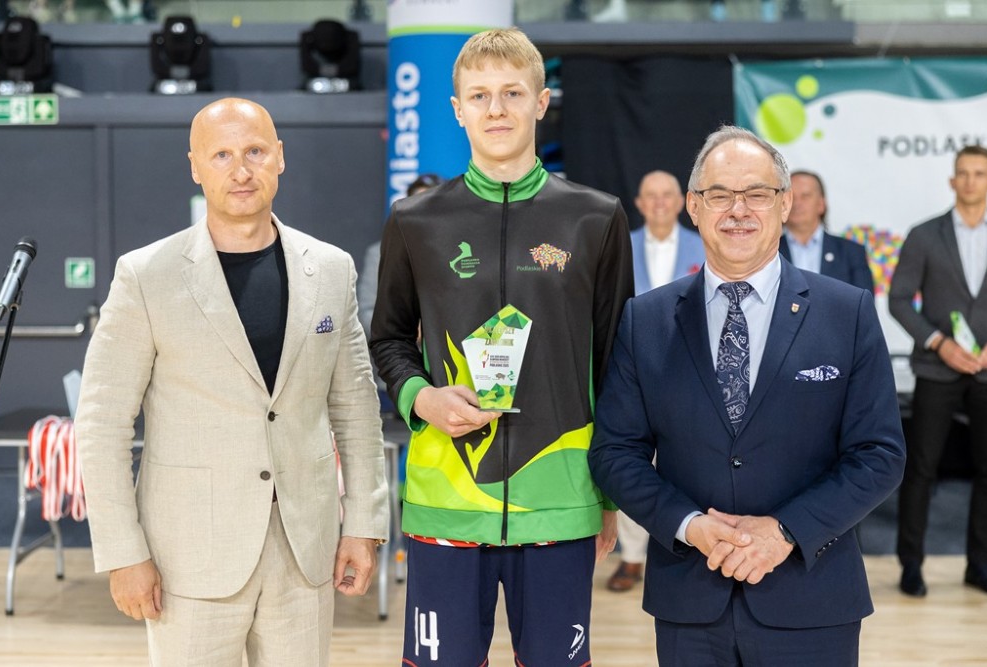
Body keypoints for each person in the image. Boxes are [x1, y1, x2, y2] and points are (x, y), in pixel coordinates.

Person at [75, 98, 389, 665]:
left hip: (304, 551)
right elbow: (102, 424)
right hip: (188, 557)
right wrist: (123, 552)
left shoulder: (331, 268)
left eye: (255, 151)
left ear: (280, 157)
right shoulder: (146, 275)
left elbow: (357, 411)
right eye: (221, 154)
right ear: (195, 166)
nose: (241, 170)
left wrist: (364, 524)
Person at [589, 125, 905, 665]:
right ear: (693, 206)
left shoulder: (846, 312)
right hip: (690, 602)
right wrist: (690, 526)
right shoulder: (646, 320)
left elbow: (880, 455)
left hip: (812, 598)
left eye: (757, 193)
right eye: (719, 195)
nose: (738, 210)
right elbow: (615, 453)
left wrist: (784, 533)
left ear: (785, 204)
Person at [370, 28, 633, 667]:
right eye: (479, 95)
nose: (496, 109)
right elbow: (387, 339)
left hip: (560, 498)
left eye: (512, 93)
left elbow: (617, 362)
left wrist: (607, 496)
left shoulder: (596, 218)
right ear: (457, 109)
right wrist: (422, 399)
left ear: (541, 102)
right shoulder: (414, 220)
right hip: (447, 500)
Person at [889, 144, 987, 598]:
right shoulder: (925, 234)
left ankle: (980, 565)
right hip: (936, 368)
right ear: (952, 180)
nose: (970, 181)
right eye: (963, 173)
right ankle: (911, 564)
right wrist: (939, 343)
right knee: (921, 469)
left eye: (979, 173)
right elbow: (898, 299)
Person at [609, 169, 705, 592]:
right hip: (635, 371)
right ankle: (632, 557)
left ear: (683, 202)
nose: (661, 202)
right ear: (639, 203)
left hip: (697, 374)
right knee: (635, 462)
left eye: (668, 194)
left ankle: (693, 547)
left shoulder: (704, 246)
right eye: (652, 195)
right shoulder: (620, 247)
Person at [357, 173, 443, 342]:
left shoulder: (460, 249)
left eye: (432, 204)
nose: (425, 212)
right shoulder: (380, 251)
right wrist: (407, 330)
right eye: (418, 204)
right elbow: (367, 314)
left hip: (452, 350)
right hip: (401, 349)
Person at [779, 170, 873, 293]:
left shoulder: (851, 252)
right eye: (791, 197)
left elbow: (864, 301)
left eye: (805, 196)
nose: (797, 203)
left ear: (821, 204)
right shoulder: (769, 251)